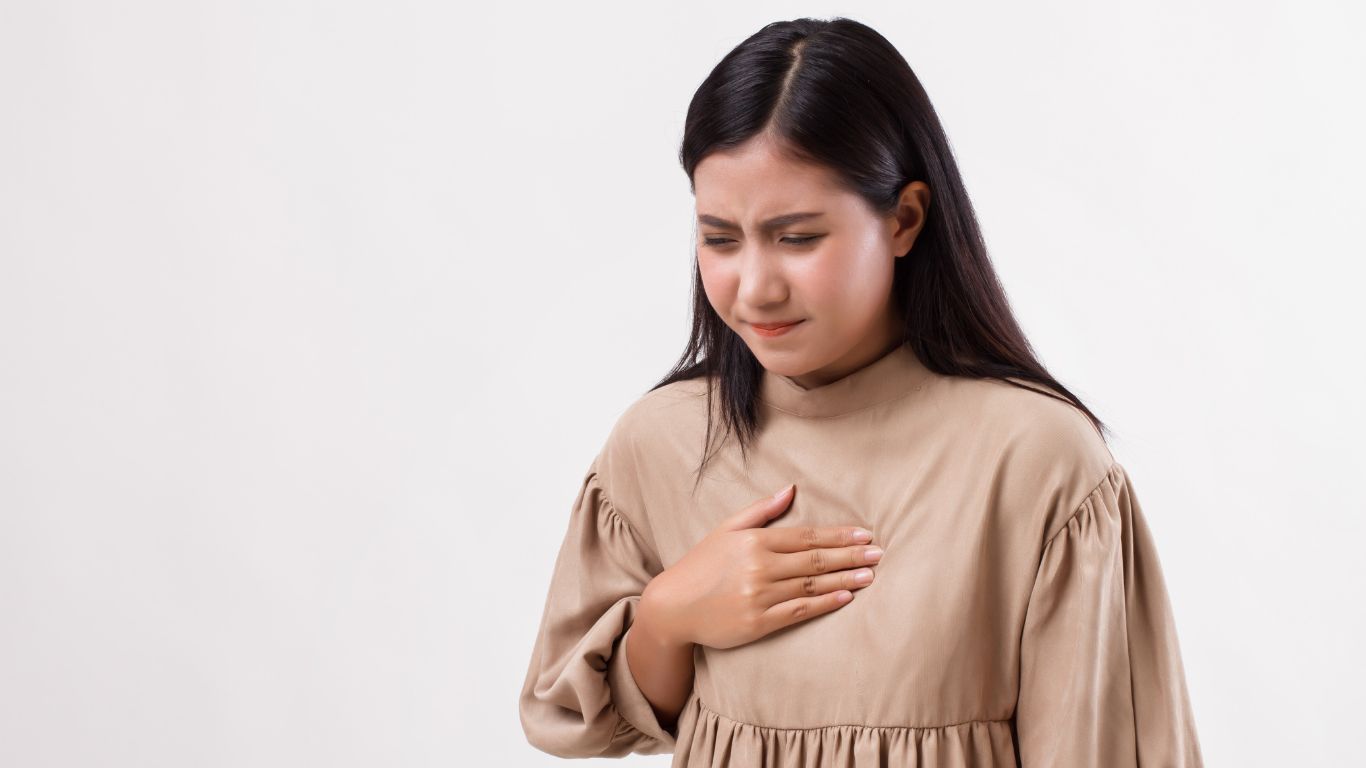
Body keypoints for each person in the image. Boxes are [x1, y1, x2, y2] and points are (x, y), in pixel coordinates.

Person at [518, 16, 1204, 767]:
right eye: (719, 239)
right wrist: (668, 616)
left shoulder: (1036, 458)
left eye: (798, 237)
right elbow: (577, 717)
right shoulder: (663, 442)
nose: (754, 287)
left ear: (904, 219)